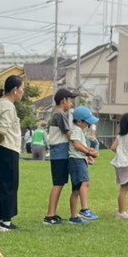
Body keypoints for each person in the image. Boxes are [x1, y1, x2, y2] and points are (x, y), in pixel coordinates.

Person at [0, 74, 25, 232]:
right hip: (8, 148)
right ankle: (6, 222)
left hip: (0, 150)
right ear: (15, 90)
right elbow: (2, 131)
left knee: (2, 184)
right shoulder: (8, 106)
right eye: (22, 89)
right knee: (10, 184)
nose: (23, 92)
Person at [42, 88, 74, 224]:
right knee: (58, 184)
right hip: (59, 153)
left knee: (59, 183)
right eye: (70, 100)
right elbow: (68, 134)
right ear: (63, 101)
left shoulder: (59, 115)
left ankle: (52, 213)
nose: (71, 103)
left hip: (59, 153)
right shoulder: (59, 115)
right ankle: (50, 215)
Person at [67, 107, 100, 224]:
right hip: (77, 160)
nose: (88, 125)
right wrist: (88, 152)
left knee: (76, 189)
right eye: (86, 122)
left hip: (78, 159)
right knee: (85, 183)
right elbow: (76, 145)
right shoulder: (76, 130)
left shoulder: (79, 131)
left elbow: (80, 146)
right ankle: (84, 210)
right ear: (80, 121)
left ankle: (74, 217)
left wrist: (87, 156)